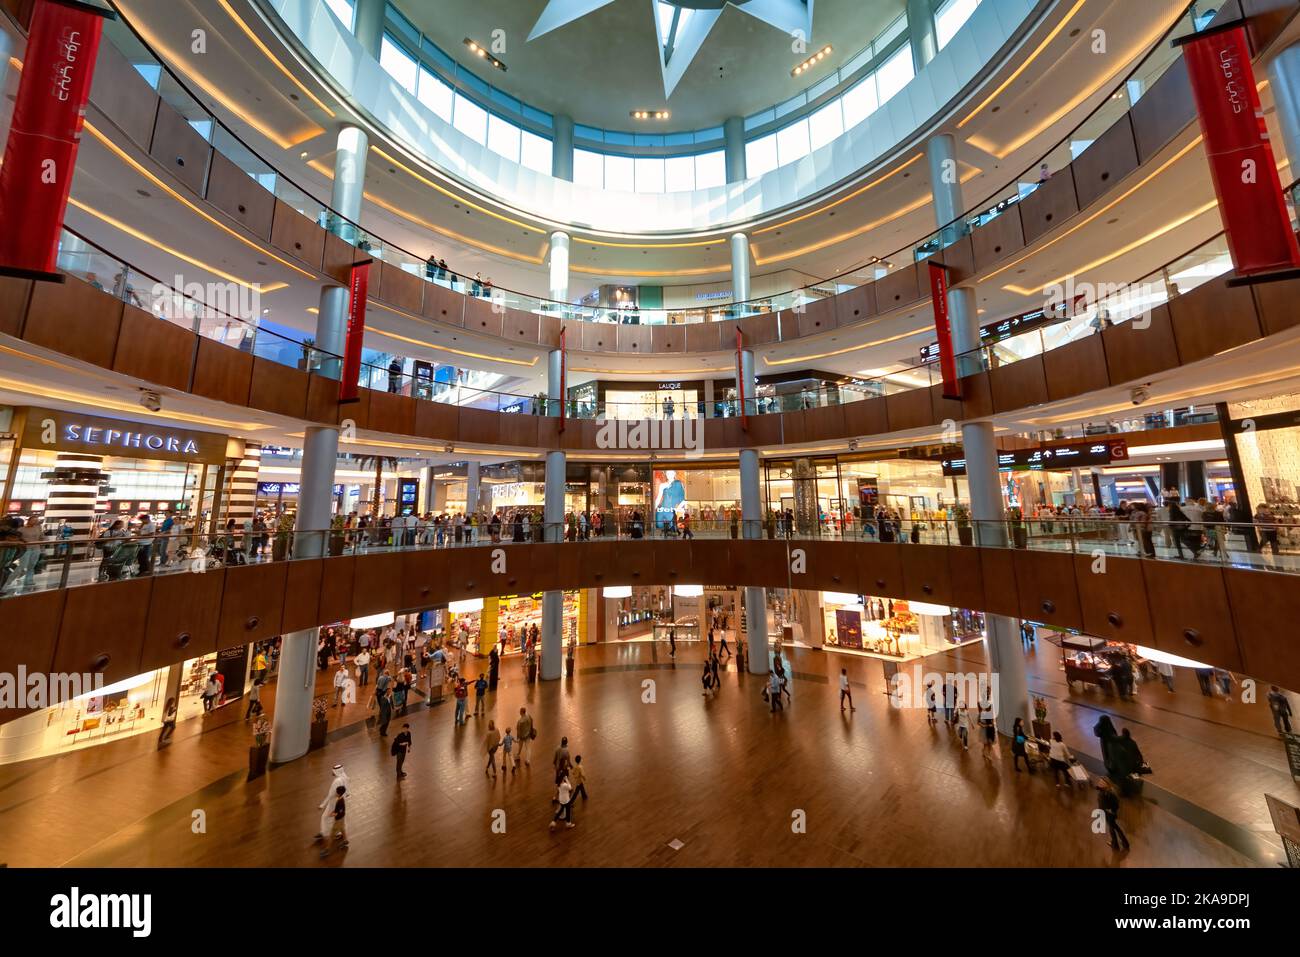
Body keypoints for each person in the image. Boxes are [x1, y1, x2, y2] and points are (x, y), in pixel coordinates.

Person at [315, 764, 349, 840]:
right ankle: (339, 832)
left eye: (333, 771)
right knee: (339, 818)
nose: (332, 772)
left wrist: (322, 805)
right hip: (341, 801)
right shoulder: (345, 778)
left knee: (325, 817)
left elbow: (330, 795)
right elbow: (347, 792)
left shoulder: (336, 781)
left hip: (334, 802)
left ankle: (324, 832)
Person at [1097, 780, 1129, 850]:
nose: (1099, 783)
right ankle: (1124, 843)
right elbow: (1116, 804)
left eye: (1102, 782)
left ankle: (1115, 845)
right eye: (1100, 781)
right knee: (1115, 828)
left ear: (1106, 785)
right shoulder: (1110, 791)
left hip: (1108, 814)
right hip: (1112, 813)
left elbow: (1103, 806)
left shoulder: (1103, 794)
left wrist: (1107, 811)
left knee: (1112, 829)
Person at [320, 785, 348, 858]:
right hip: (342, 818)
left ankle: (327, 850)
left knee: (331, 835)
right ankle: (345, 840)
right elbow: (340, 811)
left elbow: (336, 813)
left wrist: (330, 814)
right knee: (342, 829)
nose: (335, 793)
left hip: (338, 820)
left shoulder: (339, 802)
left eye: (336, 792)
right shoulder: (342, 799)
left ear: (338, 793)